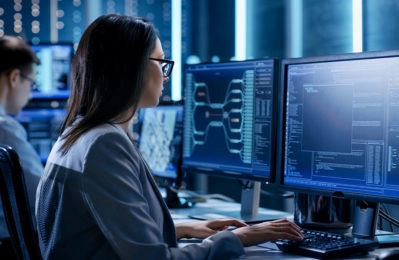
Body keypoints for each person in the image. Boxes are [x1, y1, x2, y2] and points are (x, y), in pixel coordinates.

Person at [35, 14, 304, 259]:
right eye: (161, 62)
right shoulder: (103, 144)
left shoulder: (77, 134)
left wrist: (185, 228)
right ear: (130, 67)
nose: (165, 77)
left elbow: (106, 233)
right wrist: (235, 239)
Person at [0, 35, 43, 257]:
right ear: (14, 77)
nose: (30, 92)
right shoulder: (6, 129)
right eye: (31, 83)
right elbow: (44, 200)